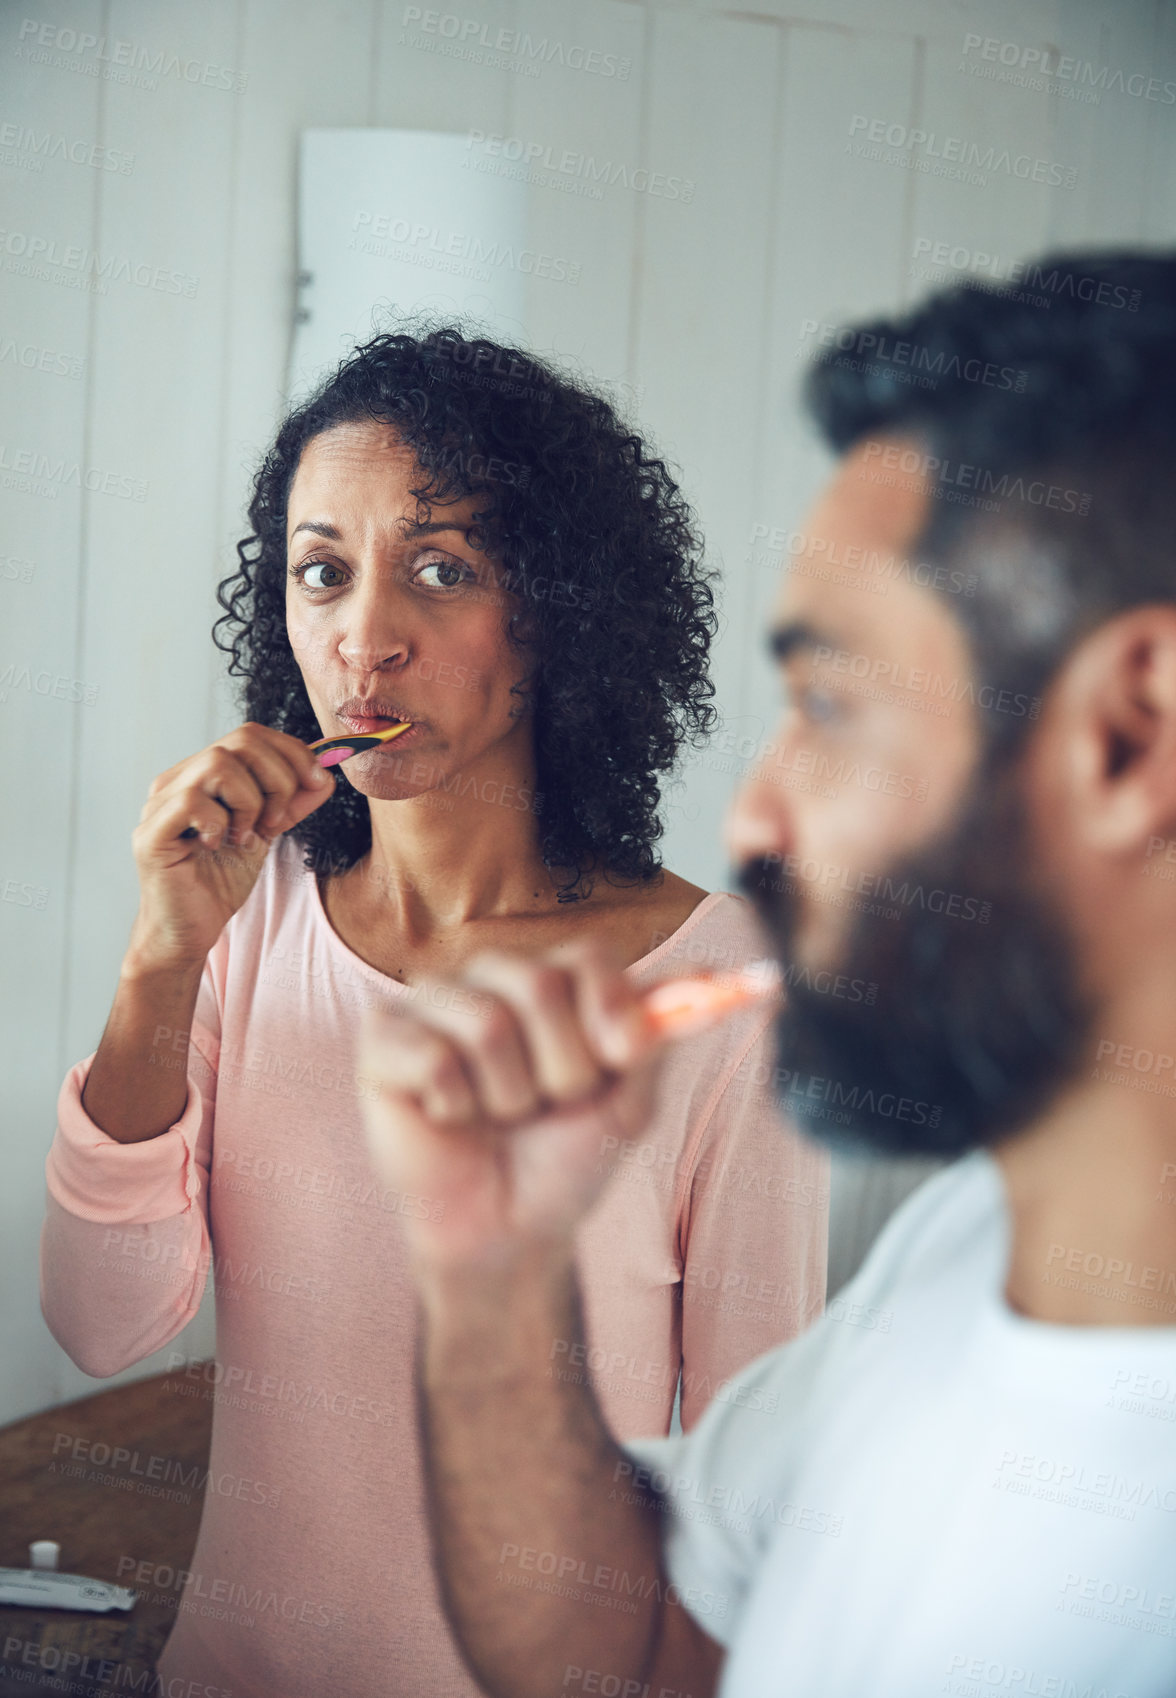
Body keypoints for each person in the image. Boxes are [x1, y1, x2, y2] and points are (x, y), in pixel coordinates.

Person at [358, 254, 1176, 1698]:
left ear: (1132, 738)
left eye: (828, 704)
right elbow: (632, 1651)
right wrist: (495, 1277)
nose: (753, 823)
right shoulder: (966, 1245)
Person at [39, 326, 828, 1698]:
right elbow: (100, 1324)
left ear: (560, 612)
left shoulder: (722, 998)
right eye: (323, 570)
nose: (364, 636)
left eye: (441, 567)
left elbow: (765, 1504)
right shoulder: (251, 917)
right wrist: (160, 958)